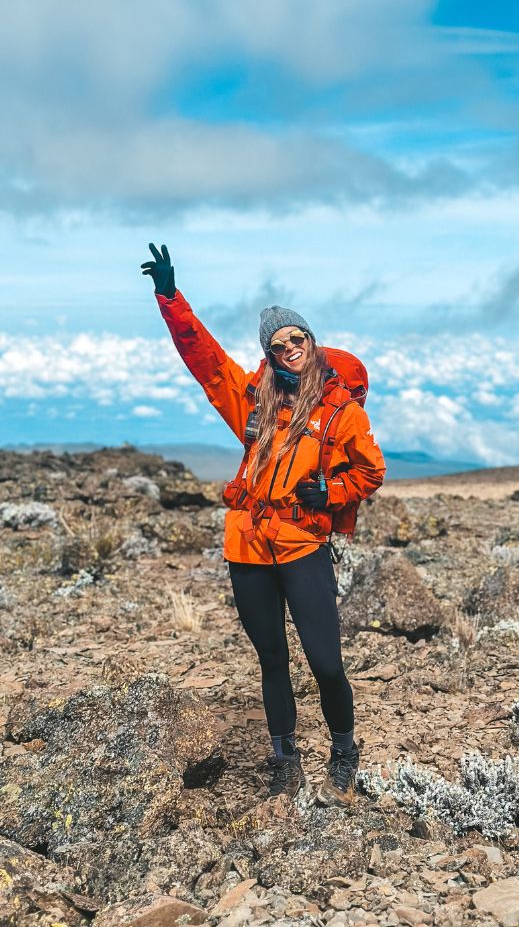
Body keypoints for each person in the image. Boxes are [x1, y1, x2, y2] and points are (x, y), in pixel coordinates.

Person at [141, 243, 386, 805]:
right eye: (278, 344)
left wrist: (332, 490)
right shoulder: (251, 402)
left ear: (311, 341)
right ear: (269, 354)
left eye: (297, 338)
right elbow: (205, 360)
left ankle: (344, 751)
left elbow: (371, 473)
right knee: (271, 659)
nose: (290, 348)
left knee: (325, 661)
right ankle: (284, 761)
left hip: (303, 545)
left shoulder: (341, 411)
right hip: (247, 548)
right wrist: (171, 299)